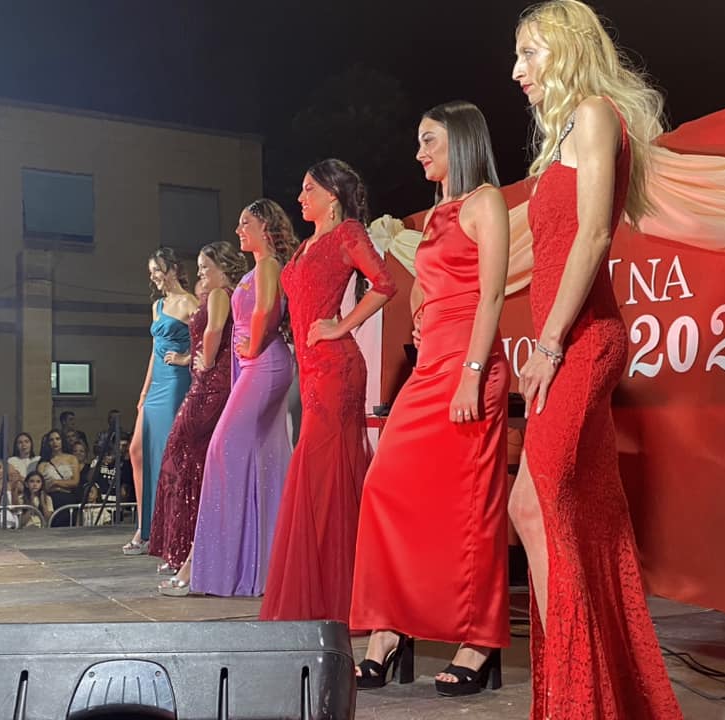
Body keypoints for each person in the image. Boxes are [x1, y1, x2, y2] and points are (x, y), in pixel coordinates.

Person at [508, 2, 683, 717]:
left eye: (528, 53)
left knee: (533, 506)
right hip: (573, 338)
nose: (517, 71)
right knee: (589, 519)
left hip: (581, 340)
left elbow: (590, 241)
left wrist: (548, 343)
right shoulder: (572, 130)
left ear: (567, 47)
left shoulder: (594, 113)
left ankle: (579, 696)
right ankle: (606, 690)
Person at [349, 102, 511, 696]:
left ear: (461, 143)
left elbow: (492, 294)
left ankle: (477, 640)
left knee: (468, 506)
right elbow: (434, 284)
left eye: (429, 142)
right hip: (429, 367)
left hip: (471, 365)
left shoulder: (485, 201)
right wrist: (421, 323)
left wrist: (471, 371)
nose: (419, 153)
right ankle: (387, 632)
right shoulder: (440, 211)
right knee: (386, 487)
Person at [259, 160, 397, 624]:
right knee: (320, 483)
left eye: (307, 189)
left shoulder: (348, 234)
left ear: (331, 197)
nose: (300, 198)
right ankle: (326, 596)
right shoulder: (305, 247)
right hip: (310, 373)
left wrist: (341, 326)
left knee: (323, 482)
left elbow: (385, 284)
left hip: (337, 373)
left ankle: (338, 600)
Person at [162, 200, 295, 597]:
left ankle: (207, 568)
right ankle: (258, 569)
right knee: (262, 461)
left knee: (222, 451)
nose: (238, 230)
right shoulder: (255, 271)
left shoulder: (269, 266)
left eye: (245, 223)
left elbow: (268, 310)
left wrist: (251, 345)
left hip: (264, 366)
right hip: (254, 366)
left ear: (265, 227)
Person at [151, 241, 245, 577]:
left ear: (221, 267)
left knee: (179, 453)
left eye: (206, 267)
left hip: (209, 386)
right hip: (208, 383)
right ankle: (185, 550)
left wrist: (201, 361)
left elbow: (215, 331)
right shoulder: (225, 293)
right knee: (192, 460)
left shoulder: (221, 295)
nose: (202, 273)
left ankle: (184, 549)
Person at [122, 248, 197, 555]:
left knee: (169, 458)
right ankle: (146, 526)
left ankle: (168, 530)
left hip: (177, 384)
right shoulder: (158, 306)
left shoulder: (191, 303)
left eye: (157, 270)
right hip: (155, 389)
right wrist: (143, 393)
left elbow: (211, 343)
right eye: (151, 271)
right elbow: (154, 353)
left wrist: (186, 359)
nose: (153, 276)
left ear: (173, 269)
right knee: (137, 451)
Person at [37, 429, 81, 527]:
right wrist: (44, 506)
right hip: (51, 501)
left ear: (62, 440)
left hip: (68, 499)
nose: (55, 442)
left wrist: (56, 482)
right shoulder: (43, 463)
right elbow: (41, 487)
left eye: (57, 439)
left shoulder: (72, 459)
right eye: (51, 440)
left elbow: (75, 481)